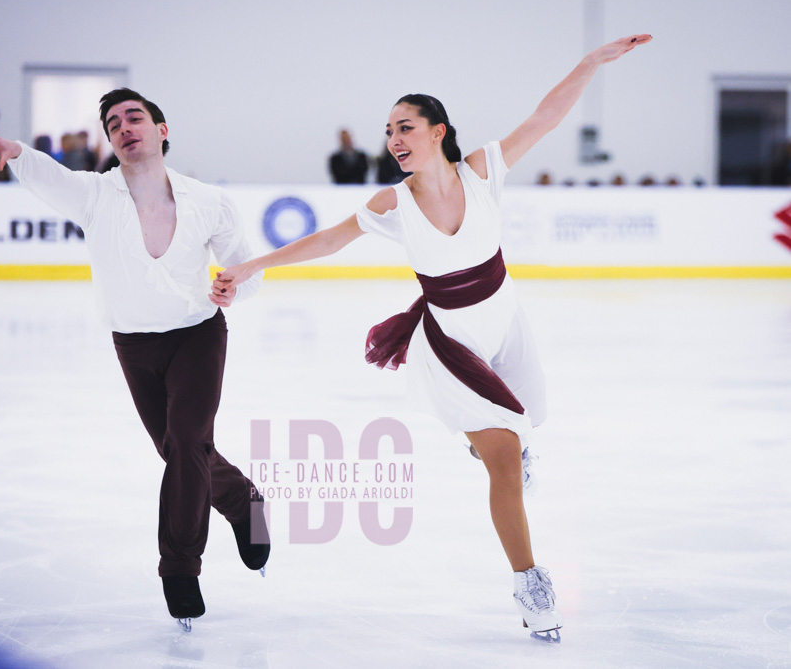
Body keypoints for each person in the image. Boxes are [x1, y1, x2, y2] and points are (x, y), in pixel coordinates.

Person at [214, 34, 652, 643]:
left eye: (405, 127)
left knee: (529, 421)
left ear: (438, 131)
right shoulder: (393, 202)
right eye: (389, 132)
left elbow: (545, 118)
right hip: (451, 344)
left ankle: (498, 447)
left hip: (506, 324)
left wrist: (590, 63)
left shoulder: (483, 170)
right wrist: (252, 266)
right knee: (504, 459)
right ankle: (529, 582)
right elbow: (330, 240)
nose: (394, 140)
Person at [0, 88, 270, 631]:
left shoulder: (209, 200)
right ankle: (246, 502)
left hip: (197, 335)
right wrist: (13, 152)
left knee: (187, 444)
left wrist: (232, 287)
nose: (124, 127)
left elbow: (246, 269)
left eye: (134, 117)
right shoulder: (94, 195)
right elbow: (49, 176)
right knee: (180, 450)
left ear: (161, 130)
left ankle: (180, 569)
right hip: (134, 342)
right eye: (113, 123)